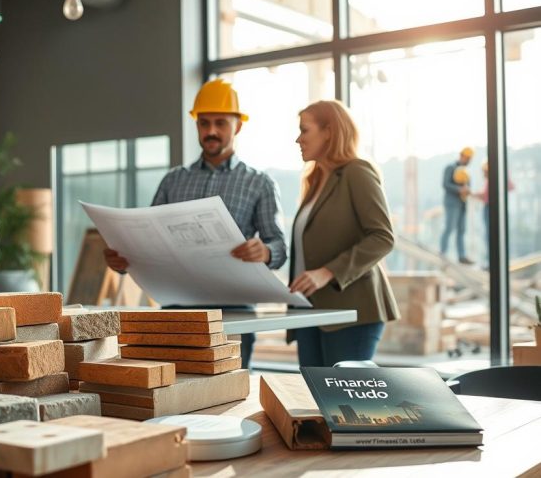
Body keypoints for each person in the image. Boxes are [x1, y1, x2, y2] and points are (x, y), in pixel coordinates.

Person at [103, 79, 288, 370]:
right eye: (204, 123)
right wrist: (122, 259)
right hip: (176, 313)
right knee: (170, 392)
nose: (211, 131)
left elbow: (279, 245)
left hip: (234, 311)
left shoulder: (259, 182)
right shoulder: (173, 180)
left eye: (220, 123)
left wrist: (264, 252)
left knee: (228, 395)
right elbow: (147, 240)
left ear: (237, 126)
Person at [288, 100, 400, 367]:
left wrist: (327, 272)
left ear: (329, 131)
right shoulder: (314, 181)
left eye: (305, 130)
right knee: (312, 401)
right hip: (310, 311)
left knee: (343, 404)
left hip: (351, 312)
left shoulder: (357, 172)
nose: (298, 139)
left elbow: (382, 237)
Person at [440, 147, 474, 265]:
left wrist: (467, 190)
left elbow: (468, 185)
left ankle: (462, 256)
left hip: (462, 203)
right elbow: (445, 184)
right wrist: (459, 189)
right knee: (449, 228)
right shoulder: (450, 167)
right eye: (468, 158)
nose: (469, 161)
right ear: (462, 156)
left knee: (461, 230)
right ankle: (443, 253)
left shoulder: (466, 171)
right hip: (452, 203)